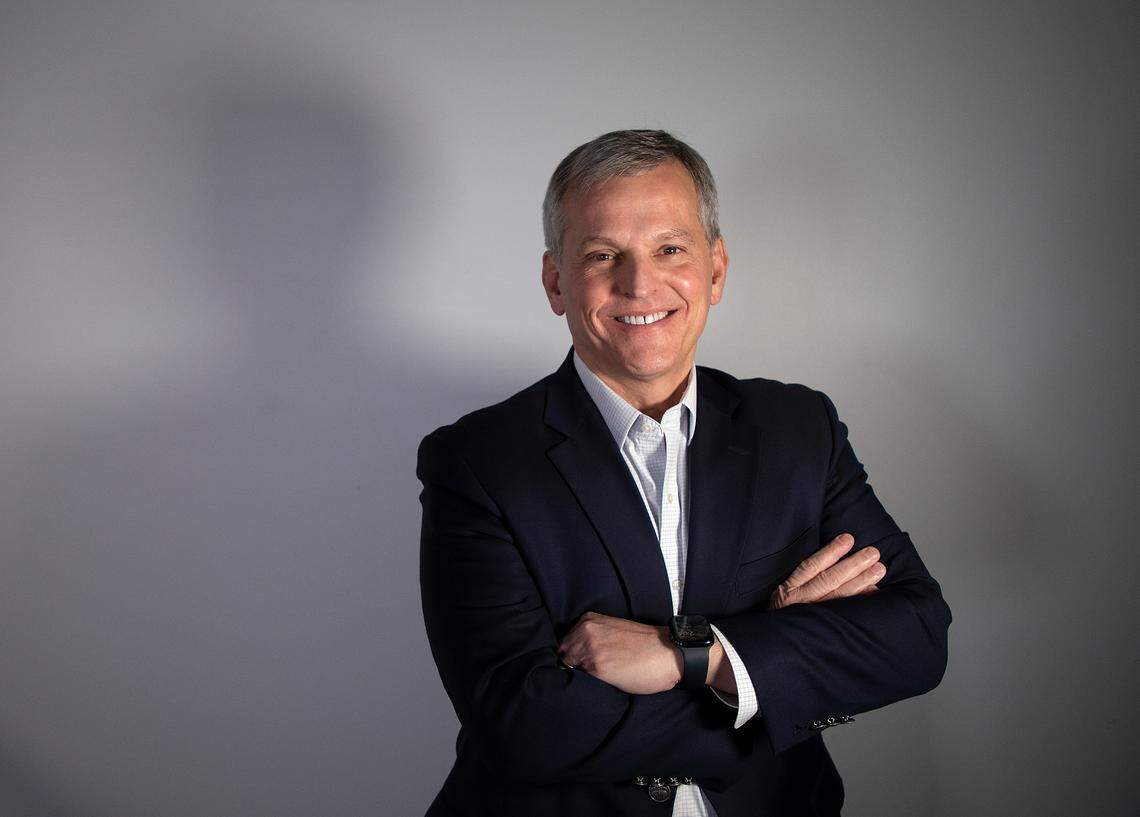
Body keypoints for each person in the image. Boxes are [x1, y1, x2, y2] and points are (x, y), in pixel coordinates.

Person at [416, 129, 950, 816]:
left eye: (670, 249)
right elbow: (526, 728)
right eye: (603, 254)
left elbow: (915, 638)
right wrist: (774, 677)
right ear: (555, 281)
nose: (639, 283)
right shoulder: (478, 460)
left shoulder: (799, 430)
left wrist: (693, 655)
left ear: (716, 270)